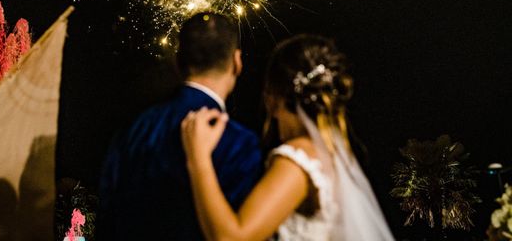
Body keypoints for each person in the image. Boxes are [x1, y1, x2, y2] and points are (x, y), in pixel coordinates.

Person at [181, 34, 395, 241]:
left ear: (272, 97)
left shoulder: (298, 159)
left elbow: (232, 237)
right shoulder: (331, 156)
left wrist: (198, 158)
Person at [98, 12, 262, 240]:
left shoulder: (133, 128)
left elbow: (107, 209)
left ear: (178, 61)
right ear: (237, 62)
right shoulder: (240, 142)